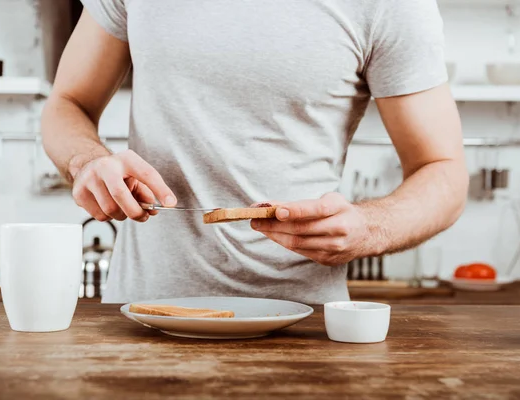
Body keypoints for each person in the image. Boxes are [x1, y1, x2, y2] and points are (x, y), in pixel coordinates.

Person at [41, 0, 468, 304]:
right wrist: (88, 162)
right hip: (144, 311)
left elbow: (444, 173)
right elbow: (67, 103)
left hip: (303, 324)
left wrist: (369, 228)